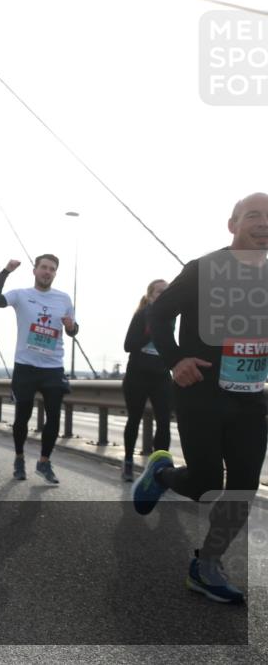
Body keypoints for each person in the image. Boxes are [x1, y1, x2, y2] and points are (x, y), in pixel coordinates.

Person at [133, 192, 268, 604]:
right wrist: (175, 360)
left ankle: (205, 566)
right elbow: (157, 316)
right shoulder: (202, 269)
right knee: (207, 482)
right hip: (200, 393)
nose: (264, 224)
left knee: (243, 487)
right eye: (254, 216)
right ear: (233, 225)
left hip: (251, 399)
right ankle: (162, 475)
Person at [0, 254, 78, 484]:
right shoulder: (21, 295)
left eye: (52, 269)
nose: (47, 272)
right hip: (26, 367)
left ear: (55, 273)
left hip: (53, 367)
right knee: (22, 418)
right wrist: (5, 272)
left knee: (54, 418)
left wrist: (71, 326)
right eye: (44, 267)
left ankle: (44, 462)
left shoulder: (64, 299)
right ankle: (19, 458)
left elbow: (72, 329)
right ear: (35, 270)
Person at [120, 279, 172, 481]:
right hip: (138, 375)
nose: (163, 295)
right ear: (150, 296)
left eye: (166, 292)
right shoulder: (142, 315)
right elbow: (128, 345)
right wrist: (149, 333)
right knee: (134, 419)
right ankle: (128, 462)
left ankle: (159, 468)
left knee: (165, 422)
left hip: (161, 376)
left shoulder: (170, 317)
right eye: (159, 292)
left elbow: (169, 345)